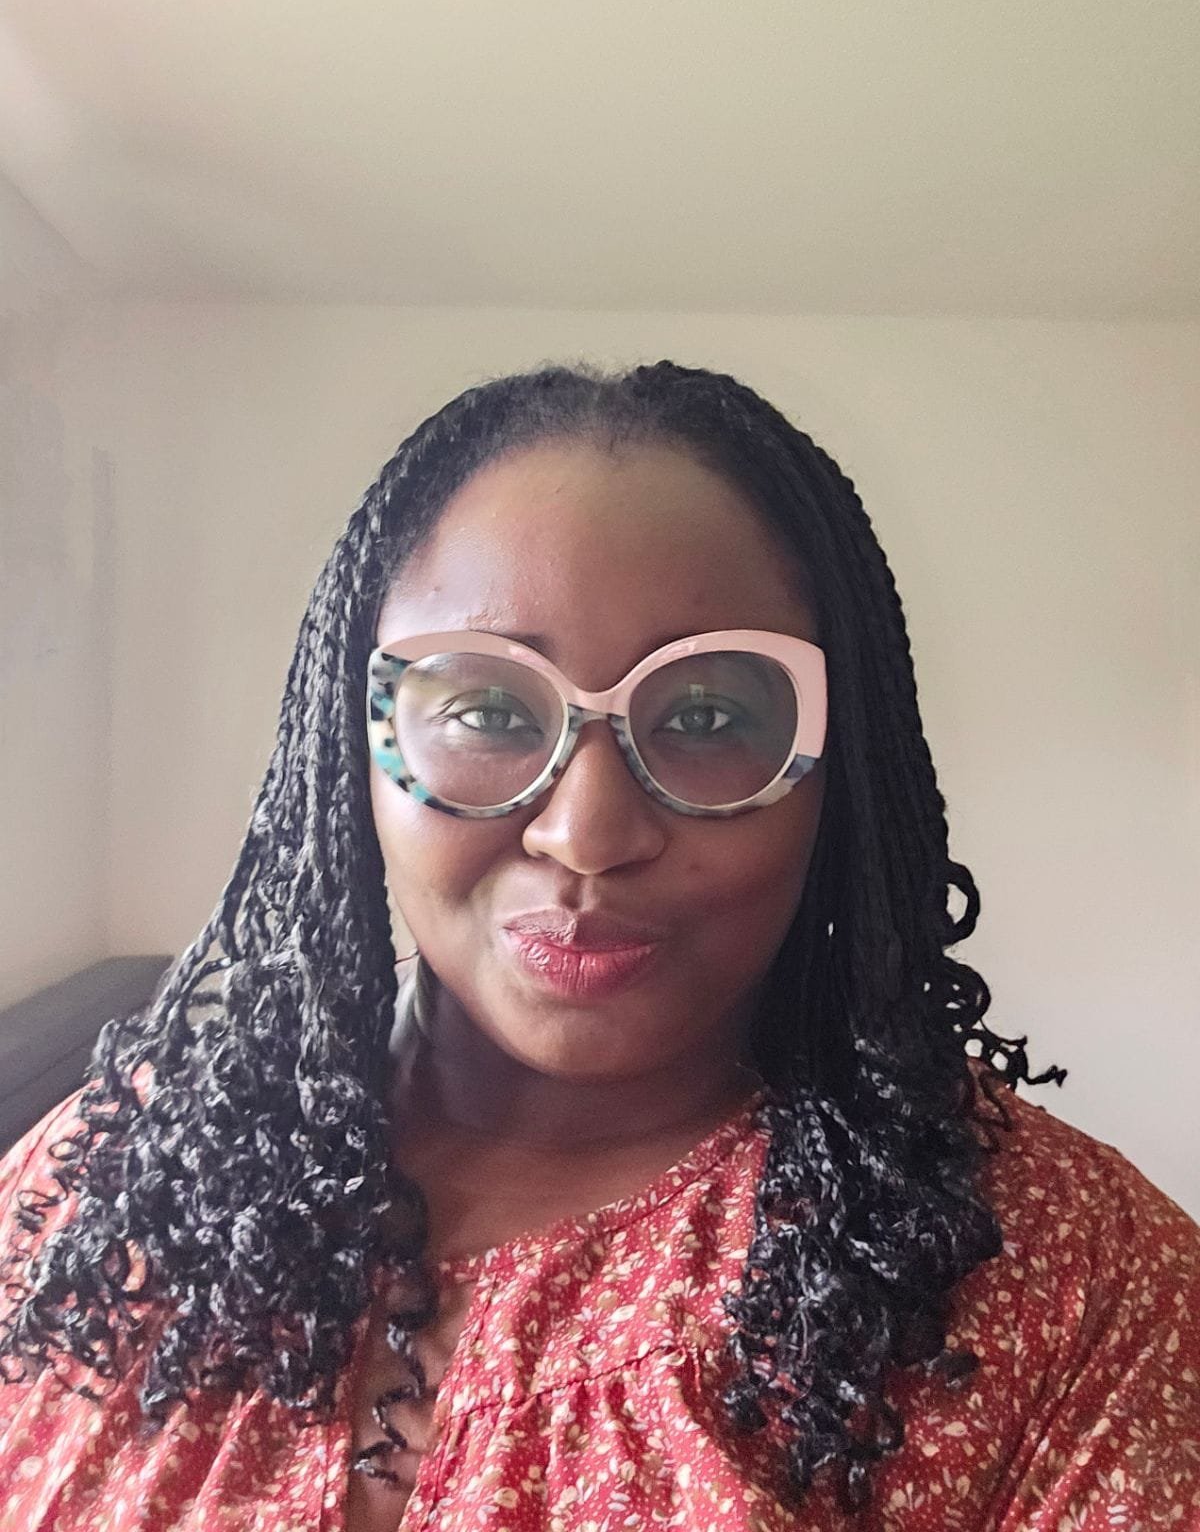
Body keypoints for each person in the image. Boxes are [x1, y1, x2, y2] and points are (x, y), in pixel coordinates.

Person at [0, 362, 1196, 1532]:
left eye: (711, 717)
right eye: (487, 710)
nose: (588, 832)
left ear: (840, 774)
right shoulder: (106, 1178)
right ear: (351, 749)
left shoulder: (1080, 1280)